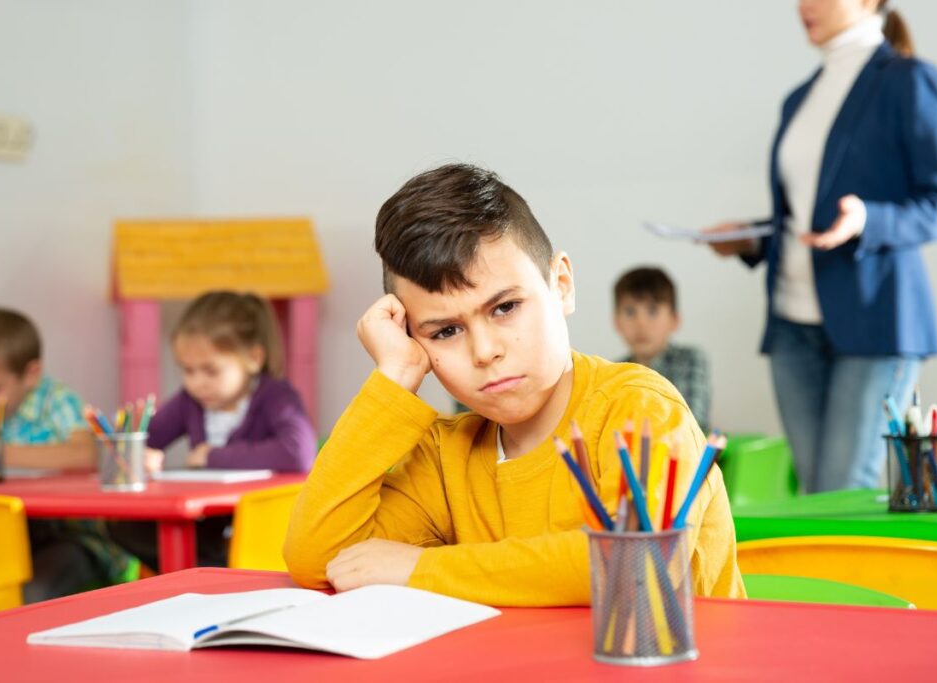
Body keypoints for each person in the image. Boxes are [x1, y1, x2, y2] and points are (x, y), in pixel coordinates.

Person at [284, 164, 745, 606]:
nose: (484, 351)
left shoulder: (637, 407)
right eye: (445, 331)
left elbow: (635, 563)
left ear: (561, 284)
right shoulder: (447, 457)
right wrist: (394, 378)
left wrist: (420, 568)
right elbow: (318, 559)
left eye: (504, 307)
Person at [704, 0, 937, 492]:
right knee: (813, 493)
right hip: (791, 326)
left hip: (875, 323)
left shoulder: (908, 81)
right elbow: (806, 218)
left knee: (841, 491)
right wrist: (750, 238)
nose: (804, 6)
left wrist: (868, 218)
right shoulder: (800, 97)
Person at [110, 291, 316, 568]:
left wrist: (211, 456)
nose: (197, 383)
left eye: (211, 370)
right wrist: (139, 453)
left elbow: (299, 453)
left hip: (262, 520)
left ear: (253, 359)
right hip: (208, 519)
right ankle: (210, 574)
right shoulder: (190, 401)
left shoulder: (276, 395)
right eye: (188, 370)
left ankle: (214, 574)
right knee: (121, 526)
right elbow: (148, 436)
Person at [0, 308, 133, 602]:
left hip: (70, 537)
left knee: (30, 595)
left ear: (31, 374)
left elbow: (84, 456)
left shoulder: (57, 402)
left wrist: (1, 454)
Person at [613, 266, 711, 431]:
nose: (641, 323)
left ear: (674, 319)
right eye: (630, 312)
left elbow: (693, 419)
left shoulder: (690, 359)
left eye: (652, 311)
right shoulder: (615, 371)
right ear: (616, 322)